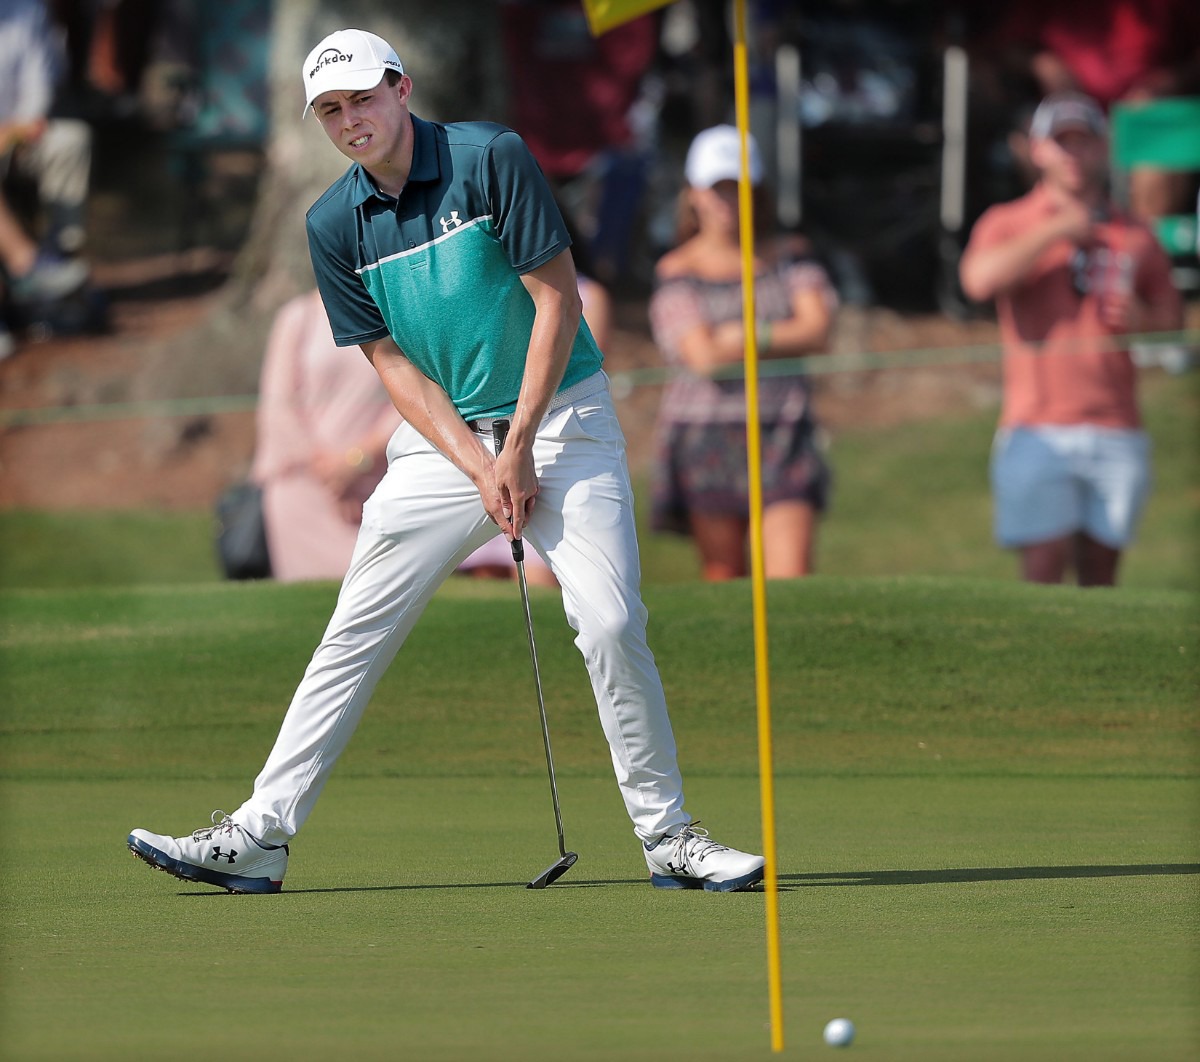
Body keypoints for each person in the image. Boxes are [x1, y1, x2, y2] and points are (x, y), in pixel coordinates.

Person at [127, 28, 764, 894]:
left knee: (612, 625)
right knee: (355, 630)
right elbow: (393, 366)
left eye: (361, 98)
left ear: (402, 87)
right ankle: (259, 835)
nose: (351, 121)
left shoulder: (489, 157)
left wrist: (524, 445)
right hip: (447, 447)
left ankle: (670, 838)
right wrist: (479, 463)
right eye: (331, 110)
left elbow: (556, 301)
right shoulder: (330, 223)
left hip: (564, 422)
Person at [958, 92, 1183, 587]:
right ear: (1037, 151)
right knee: (1043, 568)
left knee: (1102, 579)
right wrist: (1058, 228)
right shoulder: (1007, 222)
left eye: (1084, 142)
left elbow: (1174, 320)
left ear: (1102, 149)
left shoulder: (1135, 232)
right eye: (1063, 143)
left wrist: (1142, 319)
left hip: (1117, 425)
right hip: (1035, 424)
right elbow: (978, 281)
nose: (1074, 154)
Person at [648, 125, 836, 582]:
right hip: (705, 437)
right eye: (717, 189)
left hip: (784, 429)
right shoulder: (677, 269)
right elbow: (703, 357)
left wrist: (740, 336)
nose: (727, 201)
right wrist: (770, 335)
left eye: (738, 188)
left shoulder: (791, 255)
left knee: (790, 576)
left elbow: (818, 329)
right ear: (693, 194)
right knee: (725, 579)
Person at [251, 288, 401, 583]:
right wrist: (332, 477)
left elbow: (415, 395)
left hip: (379, 486)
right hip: (304, 490)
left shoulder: (397, 310)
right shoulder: (298, 317)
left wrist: (356, 463)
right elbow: (278, 407)